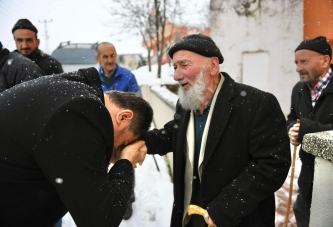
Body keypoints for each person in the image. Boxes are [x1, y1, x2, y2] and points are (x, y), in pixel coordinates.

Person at [145, 34, 291, 227]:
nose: (176, 75)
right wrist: (133, 140)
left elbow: (273, 165)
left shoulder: (258, 104)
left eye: (184, 65)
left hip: (234, 219)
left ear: (213, 66)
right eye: (174, 67)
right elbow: (173, 134)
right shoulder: (187, 102)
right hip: (189, 217)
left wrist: (225, 208)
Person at [0, 67, 153, 227]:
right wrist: (126, 161)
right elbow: (101, 221)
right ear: (123, 117)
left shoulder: (75, 93)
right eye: (124, 145)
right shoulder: (81, 116)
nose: (119, 152)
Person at [287, 36, 333, 227]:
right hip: (309, 179)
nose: (298, 68)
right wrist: (291, 130)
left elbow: (306, 126)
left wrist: (306, 129)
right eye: (297, 62)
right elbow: (292, 118)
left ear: (325, 60)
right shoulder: (298, 90)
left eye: (304, 61)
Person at [95, 41, 141, 220]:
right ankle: (108, 202)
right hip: (100, 135)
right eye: (105, 56)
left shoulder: (128, 77)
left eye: (112, 55)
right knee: (102, 171)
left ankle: (128, 201)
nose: (110, 59)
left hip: (124, 135)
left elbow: (139, 106)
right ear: (97, 58)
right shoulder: (93, 79)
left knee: (125, 166)